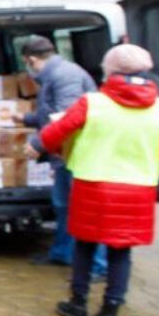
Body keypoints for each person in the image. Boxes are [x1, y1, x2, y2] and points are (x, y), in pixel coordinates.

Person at [25, 44, 159, 316]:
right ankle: (110, 308)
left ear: (111, 70)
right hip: (138, 189)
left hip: (94, 185)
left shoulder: (93, 102)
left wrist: (38, 144)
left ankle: (77, 304)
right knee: (121, 251)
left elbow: (59, 130)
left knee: (85, 244)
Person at [13, 35, 106, 276]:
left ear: (32, 60)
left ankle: (98, 266)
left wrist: (38, 142)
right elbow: (51, 113)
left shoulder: (65, 75)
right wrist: (25, 119)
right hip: (64, 155)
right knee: (63, 205)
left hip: (78, 155)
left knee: (86, 211)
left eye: (26, 63)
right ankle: (63, 253)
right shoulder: (54, 76)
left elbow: (67, 117)